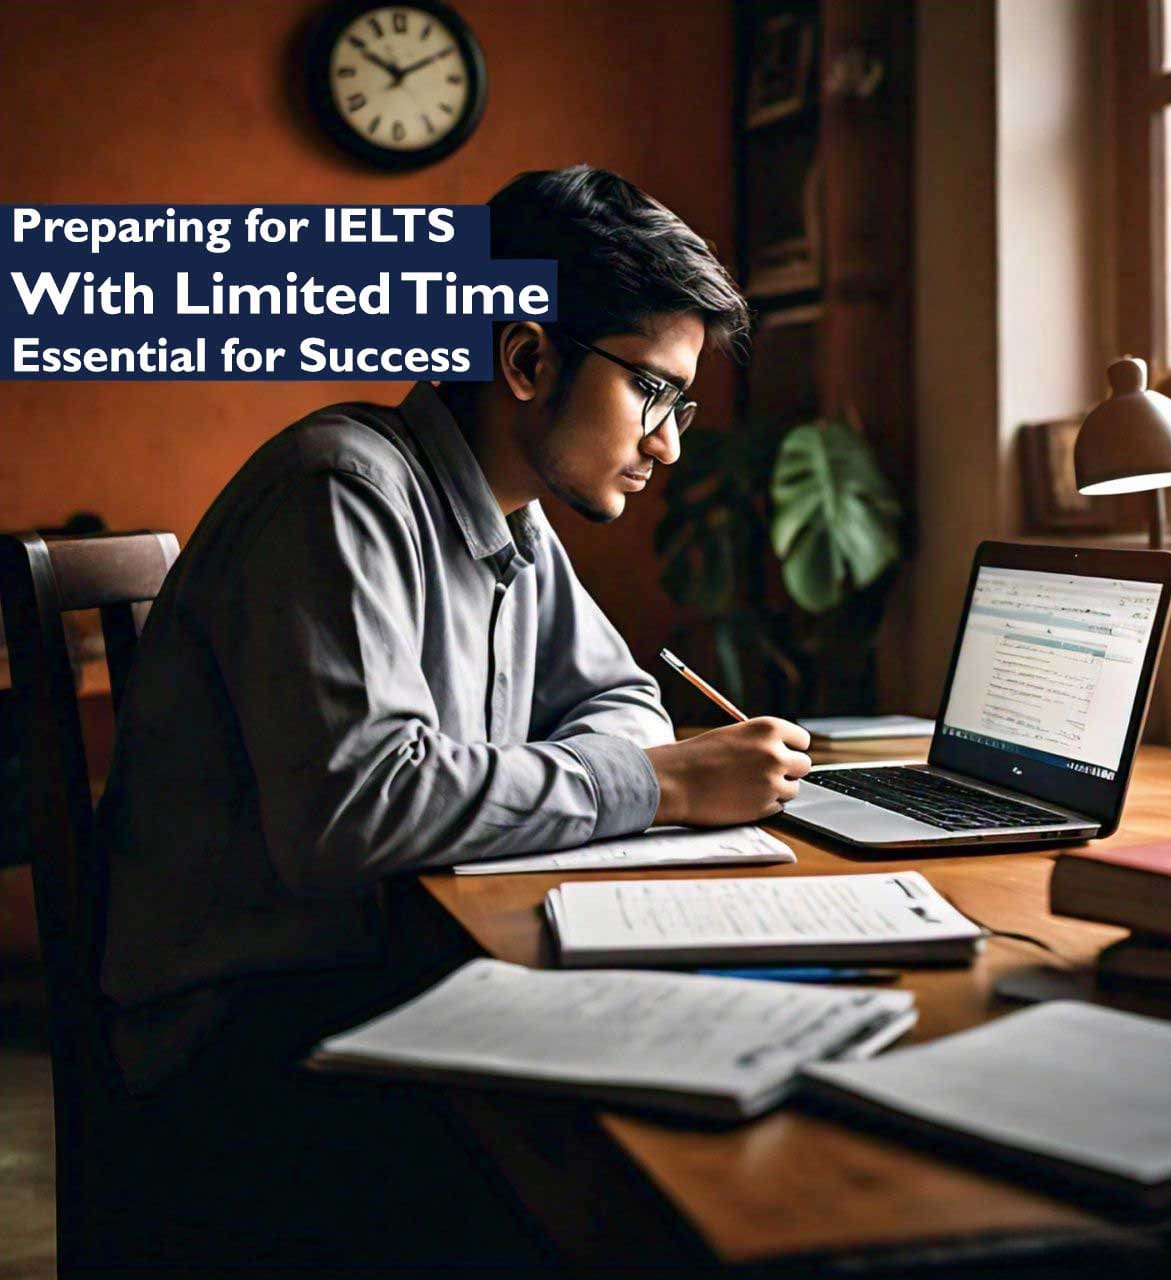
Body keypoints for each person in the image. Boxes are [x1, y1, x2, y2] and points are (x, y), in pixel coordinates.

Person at [88, 166, 813, 1272]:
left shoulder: (510, 515)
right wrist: (661, 783)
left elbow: (619, 697)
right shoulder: (342, 491)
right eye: (651, 391)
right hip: (238, 1034)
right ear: (527, 359)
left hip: (378, 967)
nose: (667, 442)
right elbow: (357, 812)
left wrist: (542, 768)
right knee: (641, 1176)